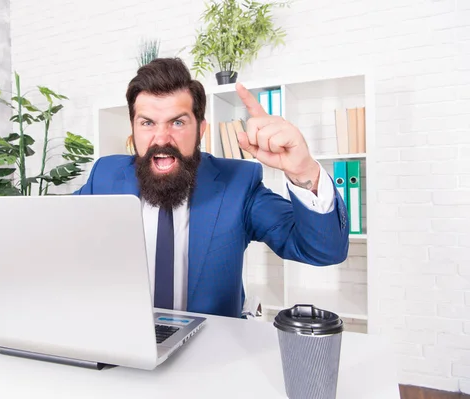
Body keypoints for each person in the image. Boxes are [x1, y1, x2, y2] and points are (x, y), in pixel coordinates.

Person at [75, 57, 349, 318]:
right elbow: (54, 233)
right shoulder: (105, 176)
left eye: (178, 122)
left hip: (210, 352)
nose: (161, 138)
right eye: (147, 123)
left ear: (201, 129)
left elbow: (323, 250)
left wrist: (303, 170)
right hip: (122, 344)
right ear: (133, 128)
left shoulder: (238, 183)